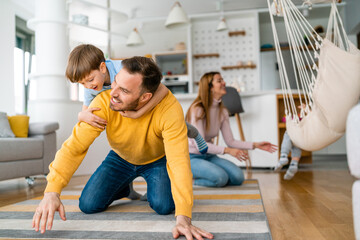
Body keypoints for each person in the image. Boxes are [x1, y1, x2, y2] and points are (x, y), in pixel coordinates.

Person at [33, 56, 213, 240]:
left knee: (164, 206)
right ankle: (125, 189)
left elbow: (179, 161)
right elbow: (74, 147)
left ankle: (147, 188)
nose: (113, 93)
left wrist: (184, 218)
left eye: (124, 90)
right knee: (88, 205)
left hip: (156, 160)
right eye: (115, 83)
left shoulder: (170, 109)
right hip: (120, 158)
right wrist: (51, 191)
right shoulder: (104, 102)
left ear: (145, 97)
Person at [66, 44, 208, 153]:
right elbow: (85, 111)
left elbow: (163, 89)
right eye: (82, 83)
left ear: (102, 68)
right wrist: (81, 115)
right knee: (129, 144)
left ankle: (196, 135)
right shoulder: (90, 87)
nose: (88, 86)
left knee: (175, 124)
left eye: (90, 80)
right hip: (130, 109)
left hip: (152, 102)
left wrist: (139, 113)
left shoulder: (124, 68)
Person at [185, 71, 277, 187]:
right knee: (220, 178)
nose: (224, 83)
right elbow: (200, 145)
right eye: (219, 81)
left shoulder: (222, 111)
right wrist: (228, 151)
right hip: (191, 157)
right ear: (210, 88)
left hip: (209, 156)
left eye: (223, 80)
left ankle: (210, 174)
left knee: (238, 177)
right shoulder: (198, 109)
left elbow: (230, 141)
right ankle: (190, 181)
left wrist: (255, 145)